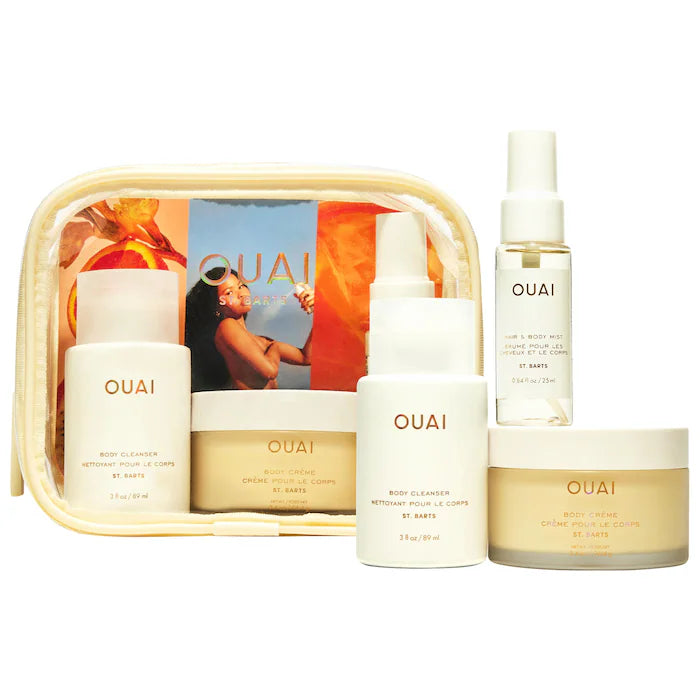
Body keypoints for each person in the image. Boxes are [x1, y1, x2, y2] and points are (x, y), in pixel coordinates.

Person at [185, 267, 313, 391]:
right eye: (229, 292)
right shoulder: (227, 326)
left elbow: (307, 357)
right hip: (250, 405)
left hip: (268, 405)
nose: (241, 294)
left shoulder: (260, 341)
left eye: (240, 286)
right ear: (216, 308)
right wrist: (276, 347)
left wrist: (317, 310)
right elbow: (270, 371)